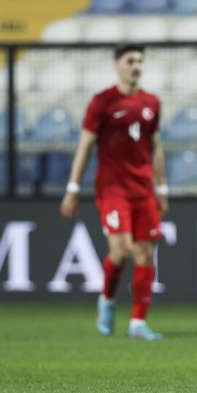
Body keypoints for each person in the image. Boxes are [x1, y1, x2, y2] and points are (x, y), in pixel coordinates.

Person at [60, 43, 168, 341]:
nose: (136, 66)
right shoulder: (102, 102)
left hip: (143, 187)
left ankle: (137, 323)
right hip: (112, 188)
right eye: (130, 60)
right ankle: (107, 299)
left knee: (146, 252)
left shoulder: (151, 102)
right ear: (117, 65)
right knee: (121, 250)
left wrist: (162, 187)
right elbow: (85, 146)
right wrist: (72, 188)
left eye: (140, 61)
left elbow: (155, 146)